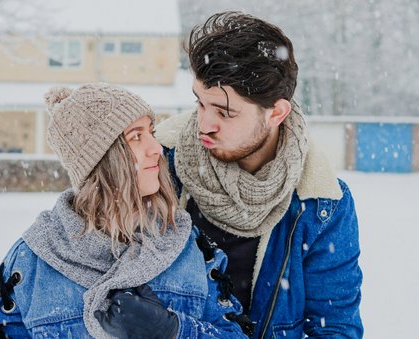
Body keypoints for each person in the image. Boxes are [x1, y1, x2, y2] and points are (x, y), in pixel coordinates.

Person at [0, 83, 252, 338]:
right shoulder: (31, 264)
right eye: (136, 137)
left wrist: (172, 330)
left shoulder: (186, 248)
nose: (156, 148)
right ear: (101, 160)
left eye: (151, 133)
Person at [154, 11, 363, 338]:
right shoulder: (159, 166)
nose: (204, 124)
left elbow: (334, 328)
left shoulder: (321, 206)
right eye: (200, 104)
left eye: (225, 112)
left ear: (276, 113)